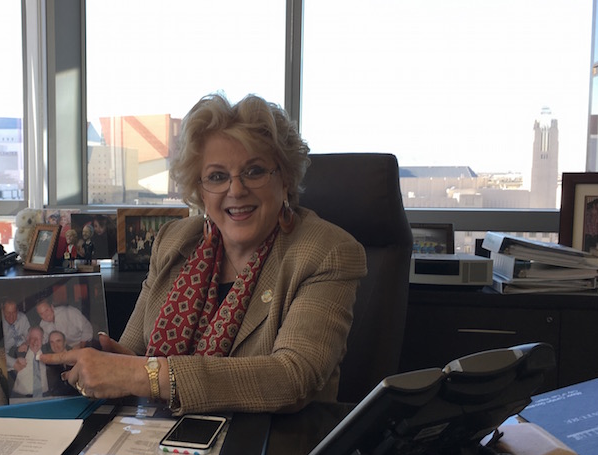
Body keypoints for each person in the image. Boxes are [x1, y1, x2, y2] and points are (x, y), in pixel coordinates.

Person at [40, 93, 367, 415]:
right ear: (200, 190)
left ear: (285, 181)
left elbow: (292, 378)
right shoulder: (174, 241)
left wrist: (138, 375)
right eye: (217, 176)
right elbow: (134, 353)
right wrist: (105, 361)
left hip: (267, 451)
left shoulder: (325, 252)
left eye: (254, 171)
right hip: (163, 442)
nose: (235, 190)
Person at [9, 326, 49, 400]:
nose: (35, 341)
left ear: (43, 340)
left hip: (44, 397)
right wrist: (14, 361)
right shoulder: (19, 351)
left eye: (38, 338)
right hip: (20, 397)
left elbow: (60, 345)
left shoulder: (48, 352)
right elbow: (5, 360)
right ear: (27, 339)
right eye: (32, 338)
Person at [0, 299, 31, 379]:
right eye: (8, 313)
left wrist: (26, 343)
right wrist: (14, 363)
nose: (11, 316)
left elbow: (29, 336)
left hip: (21, 352)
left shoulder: (22, 318)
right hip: (6, 357)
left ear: (17, 311)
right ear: (2, 311)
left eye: (14, 312)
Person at [42, 330, 78, 396]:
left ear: (64, 342)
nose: (55, 345)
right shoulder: (49, 362)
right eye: (52, 342)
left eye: (58, 341)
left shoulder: (76, 357)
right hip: (59, 398)